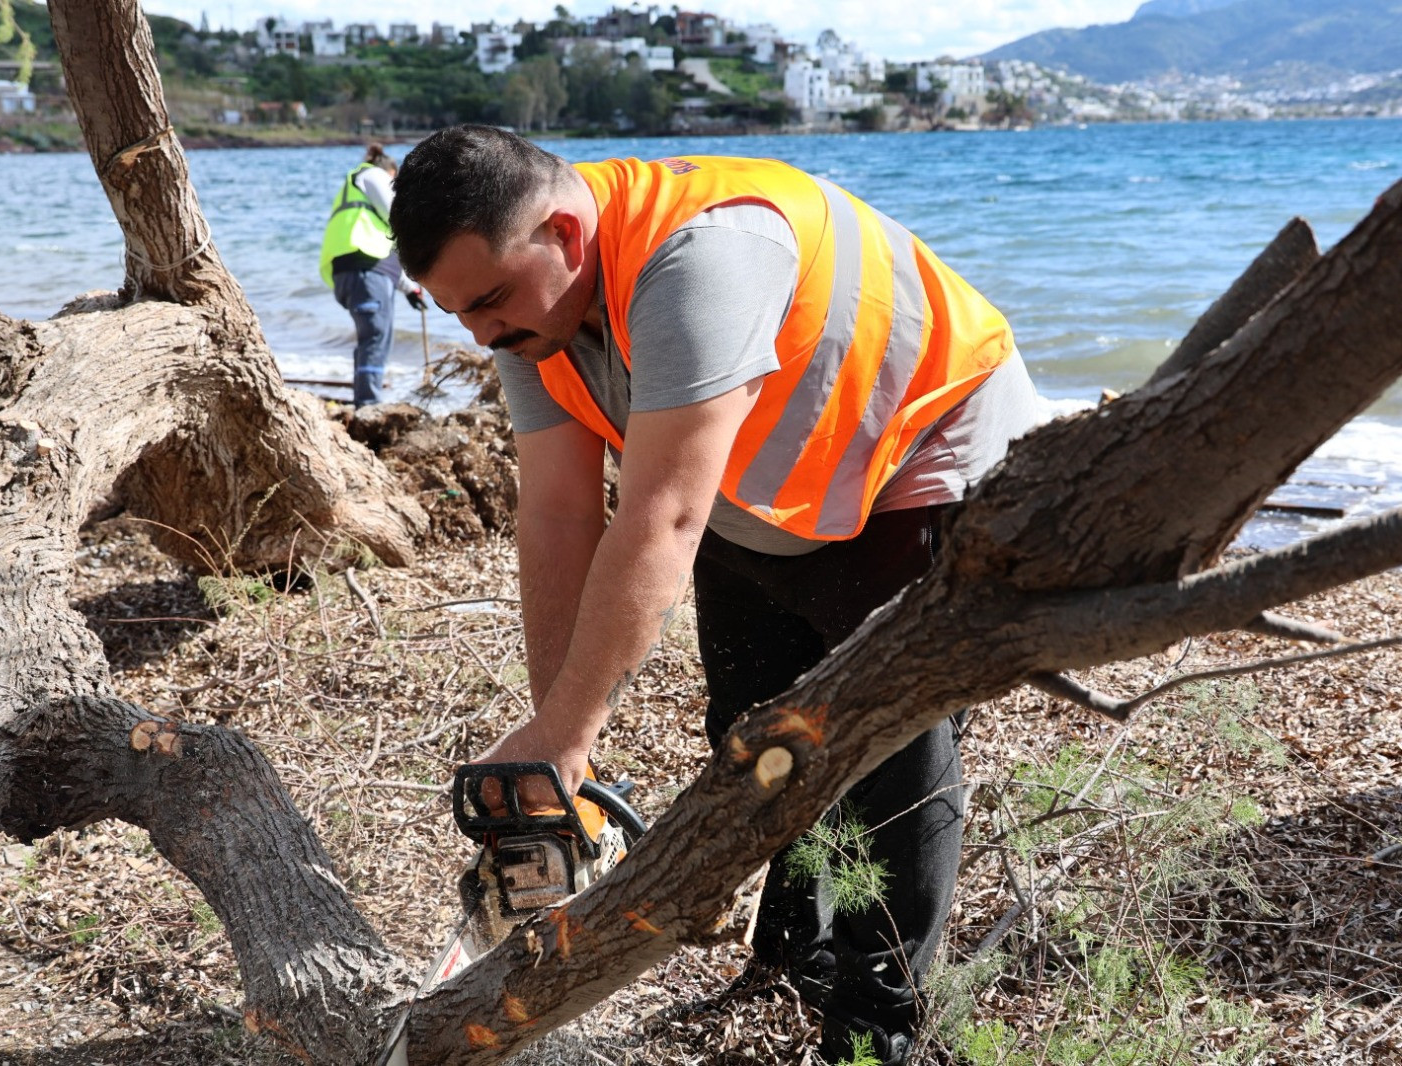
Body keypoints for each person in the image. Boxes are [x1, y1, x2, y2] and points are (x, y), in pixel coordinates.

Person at [390, 125, 1039, 1065]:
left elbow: (660, 515)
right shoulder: (530, 313)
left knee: (890, 750)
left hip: (917, 451)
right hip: (775, 468)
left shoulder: (701, 257)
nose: (482, 336)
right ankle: (790, 959)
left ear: (565, 234)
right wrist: (558, 743)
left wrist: (566, 735)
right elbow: (561, 515)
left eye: (488, 302)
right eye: (457, 313)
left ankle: (876, 1030)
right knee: (752, 726)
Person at [319, 142, 427, 407]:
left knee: (373, 336)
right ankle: (369, 405)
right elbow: (396, 217)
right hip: (366, 270)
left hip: (351, 271)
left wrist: (409, 288)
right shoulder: (373, 174)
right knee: (376, 336)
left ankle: (365, 401)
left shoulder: (354, 189)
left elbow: (384, 255)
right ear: (391, 172)